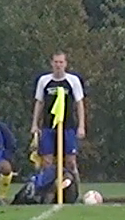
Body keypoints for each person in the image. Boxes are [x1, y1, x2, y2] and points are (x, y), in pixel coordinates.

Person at [30, 51, 86, 179]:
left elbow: (79, 103)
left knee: (71, 161)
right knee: (47, 162)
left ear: (65, 64)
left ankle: (74, 190)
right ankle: (47, 192)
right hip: (48, 126)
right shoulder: (44, 81)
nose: (58, 65)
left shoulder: (73, 81)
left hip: (68, 126)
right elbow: (39, 103)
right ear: (51, 63)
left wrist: (81, 126)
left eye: (61, 62)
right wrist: (34, 124)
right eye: (56, 62)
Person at [0, 119, 17, 204]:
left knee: (6, 168)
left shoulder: (2, 127)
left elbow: (11, 143)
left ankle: (1, 196)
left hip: (0, 157)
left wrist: (7, 157)